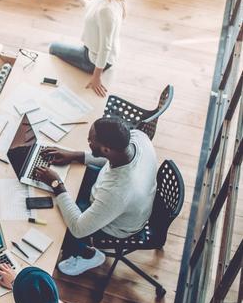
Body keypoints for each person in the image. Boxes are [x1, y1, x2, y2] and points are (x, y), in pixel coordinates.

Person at [34, 117, 157, 276]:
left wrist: (56, 184)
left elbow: (79, 229)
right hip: (115, 193)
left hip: (117, 225)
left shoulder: (119, 192)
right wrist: (75, 155)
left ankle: (88, 254)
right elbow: (109, 160)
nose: (88, 142)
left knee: (58, 222)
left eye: (91, 141)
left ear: (105, 149)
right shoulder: (137, 137)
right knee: (69, 186)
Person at [48, 0, 130, 97]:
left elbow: (105, 48)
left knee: (53, 48)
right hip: (99, 53)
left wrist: (96, 76)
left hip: (93, 60)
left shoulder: (107, 10)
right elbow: (93, 10)